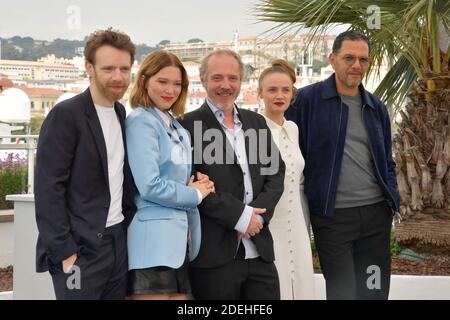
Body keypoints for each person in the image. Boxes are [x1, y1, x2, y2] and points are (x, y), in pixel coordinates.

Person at [285, 30, 401, 300]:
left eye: (363, 59)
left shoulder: (376, 107)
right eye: (349, 58)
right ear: (332, 59)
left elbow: (386, 160)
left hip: (375, 216)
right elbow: (281, 143)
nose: (356, 65)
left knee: (374, 292)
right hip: (332, 218)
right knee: (342, 293)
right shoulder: (306, 101)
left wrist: (392, 198)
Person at [35, 28, 137, 300]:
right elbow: (47, 189)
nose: (118, 77)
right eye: (109, 68)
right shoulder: (66, 115)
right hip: (80, 250)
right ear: (89, 67)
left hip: (117, 243)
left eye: (124, 69)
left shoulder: (119, 112)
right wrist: (66, 254)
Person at [180, 49, 285, 300]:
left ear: (241, 81)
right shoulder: (186, 126)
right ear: (203, 79)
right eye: (217, 78)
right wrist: (240, 217)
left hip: (260, 252)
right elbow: (192, 184)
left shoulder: (256, 122)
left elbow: (276, 173)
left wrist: (255, 218)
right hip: (213, 257)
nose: (225, 85)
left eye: (232, 78)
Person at [125, 50, 214, 300]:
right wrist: (194, 194)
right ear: (144, 80)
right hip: (152, 246)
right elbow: (150, 185)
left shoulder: (174, 124)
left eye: (177, 84)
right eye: (162, 82)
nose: (170, 90)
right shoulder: (141, 122)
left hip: (177, 245)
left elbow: (176, 178)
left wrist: (197, 184)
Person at [258, 59, 315, 300]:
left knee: (302, 282)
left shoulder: (293, 128)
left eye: (285, 90)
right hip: (270, 223)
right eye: (272, 90)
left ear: (293, 93)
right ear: (260, 93)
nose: (279, 95)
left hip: (298, 222)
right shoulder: (254, 129)